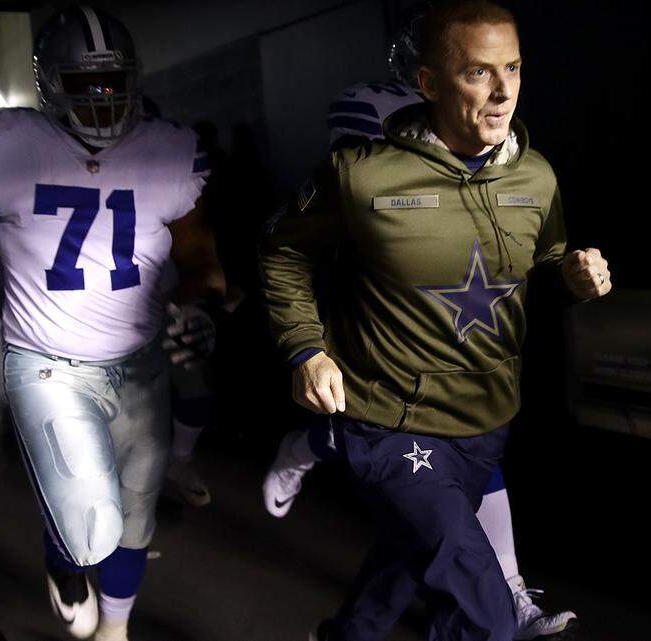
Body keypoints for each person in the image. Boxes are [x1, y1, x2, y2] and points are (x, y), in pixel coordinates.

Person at [259, 2, 612, 639]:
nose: (503, 92)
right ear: (428, 83)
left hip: (486, 419)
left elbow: (545, 265)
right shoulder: (361, 174)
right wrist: (306, 349)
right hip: (390, 422)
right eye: (479, 73)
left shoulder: (536, 175)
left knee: (403, 557)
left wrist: (572, 277)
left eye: (512, 69)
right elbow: (283, 252)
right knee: (485, 614)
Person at [0, 7, 224, 641]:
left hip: (141, 362)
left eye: (115, 80)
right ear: (51, 84)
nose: (104, 97)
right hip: (47, 364)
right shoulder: (6, 143)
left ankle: (116, 628)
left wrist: (198, 303)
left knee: (135, 519)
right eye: (86, 83)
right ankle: (64, 562)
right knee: (89, 528)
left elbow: (200, 254)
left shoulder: (170, 147)